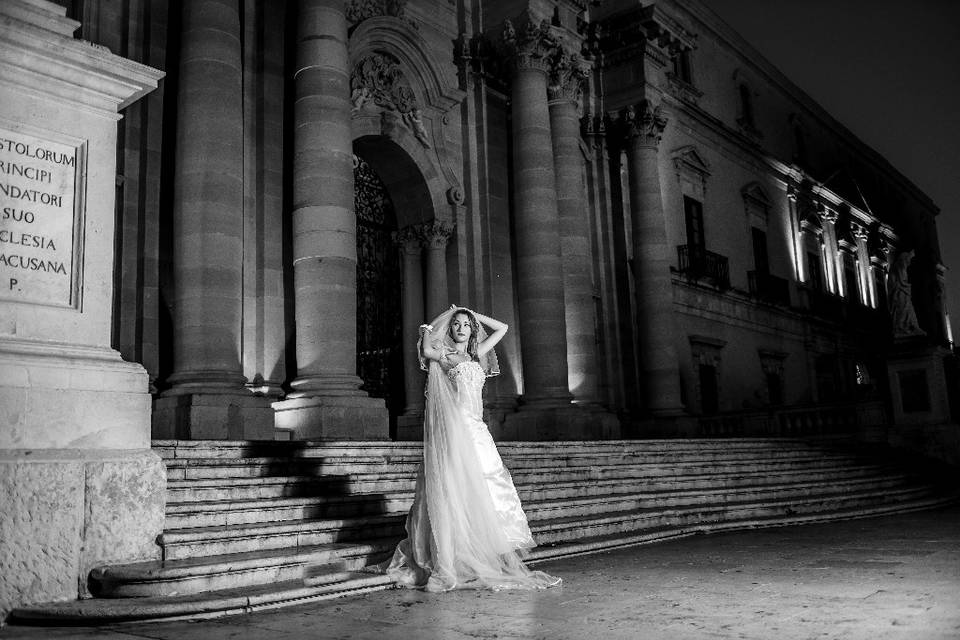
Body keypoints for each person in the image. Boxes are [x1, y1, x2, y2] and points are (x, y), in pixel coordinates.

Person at [383, 304, 561, 592]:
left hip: (477, 428)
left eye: (466, 324)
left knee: (488, 486)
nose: (462, 328)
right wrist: (427, 331)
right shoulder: (448, 355)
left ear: (472, 328)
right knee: (459, 487)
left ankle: (479, 552)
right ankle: (450, 558)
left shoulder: (476, 354)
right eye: (457, 324)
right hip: (457, 428)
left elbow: (502, 328)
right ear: (451, 329)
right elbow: (427, 352)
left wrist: (473, 314)